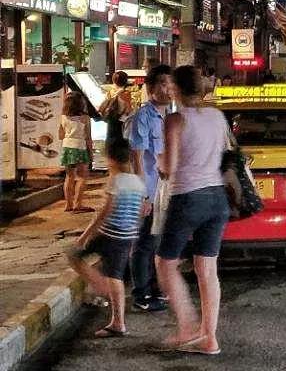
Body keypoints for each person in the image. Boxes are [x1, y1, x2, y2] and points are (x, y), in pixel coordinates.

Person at [155, 65, 231, 356]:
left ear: (175, 87)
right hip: (217, 199)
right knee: (207, 269)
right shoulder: (217, 115)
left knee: (165, 263)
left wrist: (158, 161)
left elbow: (169, 167)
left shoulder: (175, 119)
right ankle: (209, 337)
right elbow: (223, 153)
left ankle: (186, 326)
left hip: (188, 197)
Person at [67, 138, 145, 339]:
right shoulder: (138, 182)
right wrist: (133, 236)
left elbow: (105, 211)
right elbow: (140, 213)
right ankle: (117, 319)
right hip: (126, 236)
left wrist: (85, 235)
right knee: (115, 275)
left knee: (74, 255)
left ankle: (101, 288)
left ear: (110, 159)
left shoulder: (116, 180)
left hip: (110, 234)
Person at [128, 63, 173, 312]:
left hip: (165, 190)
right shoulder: (143, 116)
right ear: (150, 88)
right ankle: (141, 294)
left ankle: (155, 289)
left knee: (157, 242)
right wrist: (143, 194)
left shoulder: (170, 114)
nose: (167, 89)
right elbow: (137, 158)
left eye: (170, 84)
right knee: (145, 242)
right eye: (162, 84)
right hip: (149, 190)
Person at [59, 92, 93, 212]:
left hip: (67, 147)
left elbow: (60, 135)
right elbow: (88, 137)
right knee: (82, 176)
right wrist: (91, 152)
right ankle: (78, 204)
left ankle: (68, 205)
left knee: (69, 176)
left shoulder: (63, 117)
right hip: (79, 146)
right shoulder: (85, 118)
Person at [101, 71, 133, 146]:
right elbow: (129, 111)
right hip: (121, 123)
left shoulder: (109, 93)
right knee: (121, 145)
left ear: (113, 80)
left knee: (111, 145)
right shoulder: (126, 94)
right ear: (125, 81)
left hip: (111, 122)